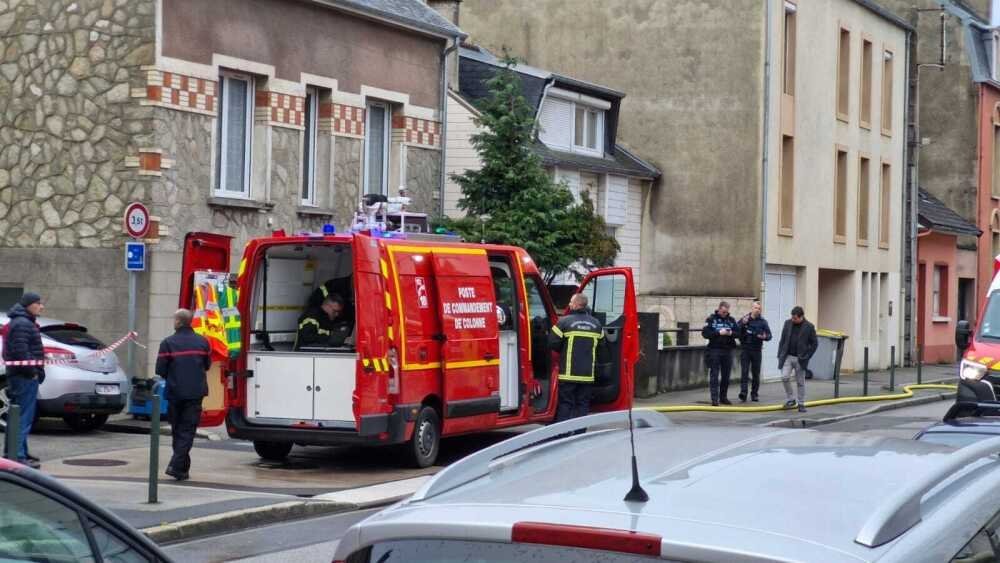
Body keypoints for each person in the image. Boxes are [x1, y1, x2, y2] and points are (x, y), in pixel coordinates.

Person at [156, 309, 211, 481]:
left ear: (178, 322)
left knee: (178, 430)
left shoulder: (167, 343)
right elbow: (207, 365)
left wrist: (174, 377)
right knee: (187, 430)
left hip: (175, 392)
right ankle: (181, 469)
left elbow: (160, 370)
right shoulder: (203, 342)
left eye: (174, 319)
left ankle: (175, 464)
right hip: (195, 393)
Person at [2, 292, 45, 469]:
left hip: (21, 375)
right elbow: (21, 352)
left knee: (19, 416)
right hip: (24, 376)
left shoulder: (23, 322)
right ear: (29, 305)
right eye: (38, 303)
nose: (42, 306)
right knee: (22, 417)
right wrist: (33, 372)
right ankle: (17, 457)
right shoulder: (22, 324)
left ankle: (17, 452)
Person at [550, 293, 605, 422]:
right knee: (583, 405)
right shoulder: (597, 324)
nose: (569, 304)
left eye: (570, 302)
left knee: (566, 404)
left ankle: (562, 434)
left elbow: (552, 343)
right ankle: (580, 434)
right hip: (587, 375)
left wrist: (563, 350)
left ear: (576, 304)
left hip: (568, 375)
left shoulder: (564, 321)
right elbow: (602, 349)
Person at [777, 306, 818, 413]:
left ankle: (801, 403)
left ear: (801, 317)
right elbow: (782, 340)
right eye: (792, 318)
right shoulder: (787, 323)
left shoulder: (809, 327)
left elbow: (814, 343)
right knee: (784, 377)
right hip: (788, 356)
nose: (793, 320)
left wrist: (807, 356)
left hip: (801, 358)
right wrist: (780, 354)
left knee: (800, 382)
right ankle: (791, 399)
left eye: (795, 318)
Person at [702, 301, 739, 406]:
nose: (725, 314)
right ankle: (714, 399)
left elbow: (739, 333)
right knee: (714, 375)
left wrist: (730, 333)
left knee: (726, 376)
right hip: (715, 350)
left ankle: (723, 397)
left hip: (728, 350)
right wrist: (718, 333)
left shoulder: (731, 320)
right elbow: (705, 333)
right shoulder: (711, 319)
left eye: (726, 312)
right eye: (723, 312)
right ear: (719, 309)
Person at [737, 300, 772, 402]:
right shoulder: (745, 319)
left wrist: (765, 337)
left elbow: (769, 336)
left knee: (756, 373)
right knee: (744, 372)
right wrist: (742, 324)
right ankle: (743, 393)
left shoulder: (763, 322)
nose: (757, 310)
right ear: (752, 308)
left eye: (759, 309)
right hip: (746, 349)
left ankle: (754, 394)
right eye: (756, 308)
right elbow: (736, 329)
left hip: (757, 350)